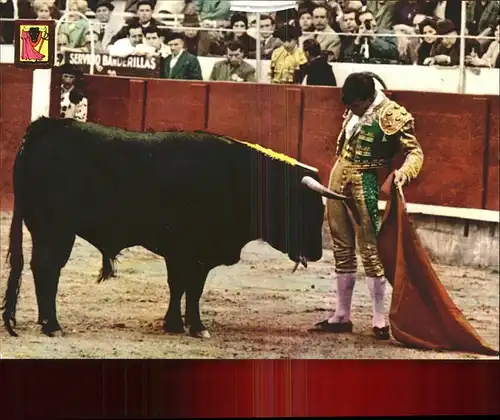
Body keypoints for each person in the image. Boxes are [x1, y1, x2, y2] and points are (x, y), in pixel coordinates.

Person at [312, 72, 424, 340]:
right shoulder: (354, 106)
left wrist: (403, 174)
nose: (352, 110)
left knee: (371, 250)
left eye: (356, 106)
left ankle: (378, 318)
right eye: (349, 106)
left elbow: (415, 152)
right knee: (341, 246)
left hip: (367, 181)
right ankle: (342, 315)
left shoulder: (393, 114)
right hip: (339, 177)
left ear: (370, 97)